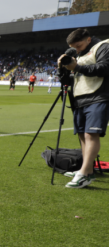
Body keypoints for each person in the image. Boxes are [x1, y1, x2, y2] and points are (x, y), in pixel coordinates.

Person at [58, 28, 109, 188]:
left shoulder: (103, 46)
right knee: (81, 135)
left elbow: (104, 68)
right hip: (79, 98)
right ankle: (86, 170)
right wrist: (63, 67)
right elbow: (69, 79)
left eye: (78, 46)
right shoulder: (77, 54)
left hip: (98, 96)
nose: (76, 49)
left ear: (88, 39)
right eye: (74, 47)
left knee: (91, 134)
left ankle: (84, 173)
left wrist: (77, 67)